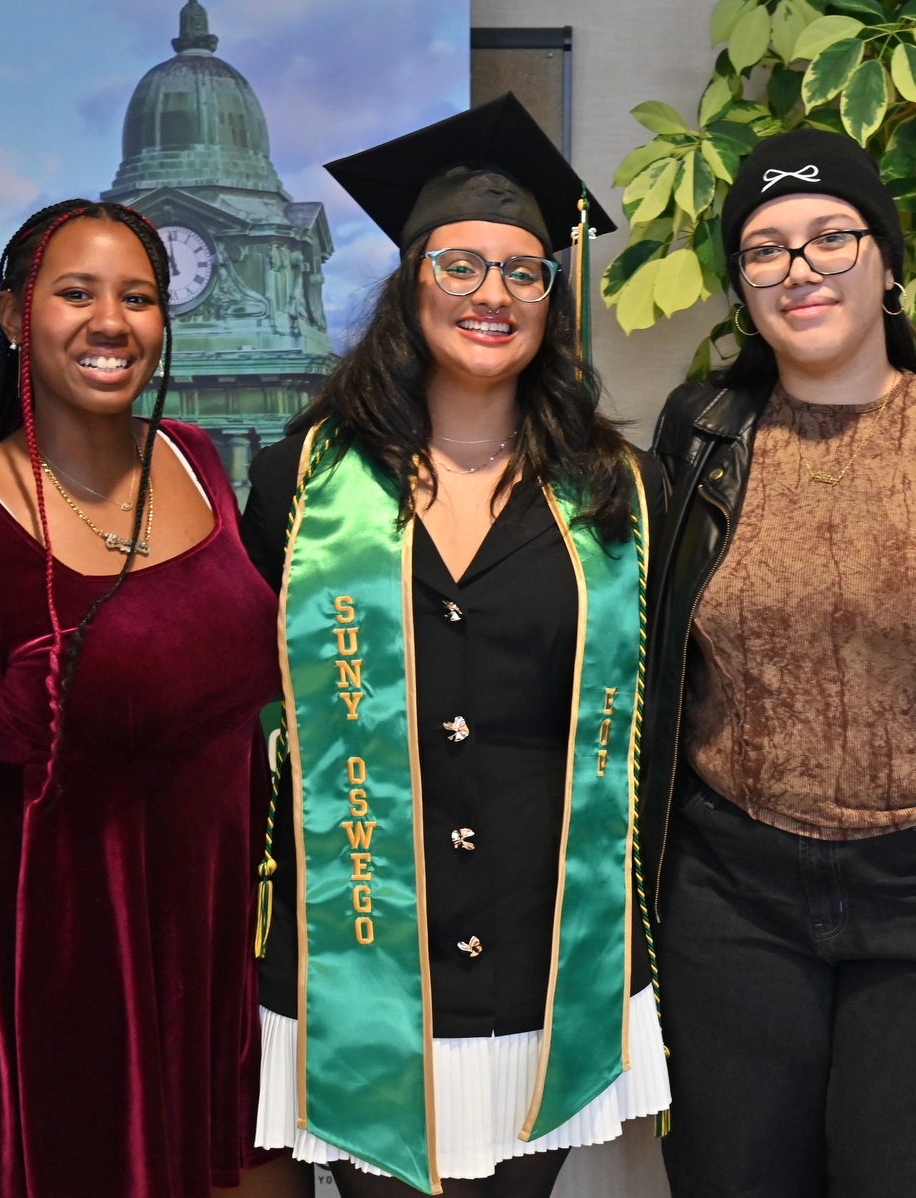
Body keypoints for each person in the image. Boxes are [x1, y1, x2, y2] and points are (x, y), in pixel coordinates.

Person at [241, 95, 670, 1198]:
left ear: (552, 296)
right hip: (361, 959)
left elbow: (658, 717)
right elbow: (252, 710)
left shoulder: (619, 493)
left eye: (525, 270)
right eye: (462, 265)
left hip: (551, 965)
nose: (495, 295)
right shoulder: (305, 480)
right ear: (410, 280)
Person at [641, 127, 916, 1197]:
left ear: (889, 259)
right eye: (766, 248)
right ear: (741, 284)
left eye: (832, 236)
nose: (801, 269)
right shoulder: (700, 436)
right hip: (729, 894)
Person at [0, 200, 294, 1195]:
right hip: (62, 1007)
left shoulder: (199, 466)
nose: (112, 320)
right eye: (77, 292)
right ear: (18, 316)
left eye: (138, 297)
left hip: (221, 981)